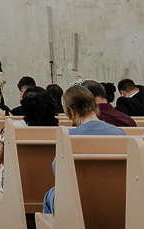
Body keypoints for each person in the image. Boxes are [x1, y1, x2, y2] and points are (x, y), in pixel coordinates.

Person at [42, 86, 125, 215]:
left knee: (50, 194)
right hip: (115, 200)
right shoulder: (119, 133)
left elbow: (57, 173)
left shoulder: (68, 136)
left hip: (77, 203)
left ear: (72, 111)